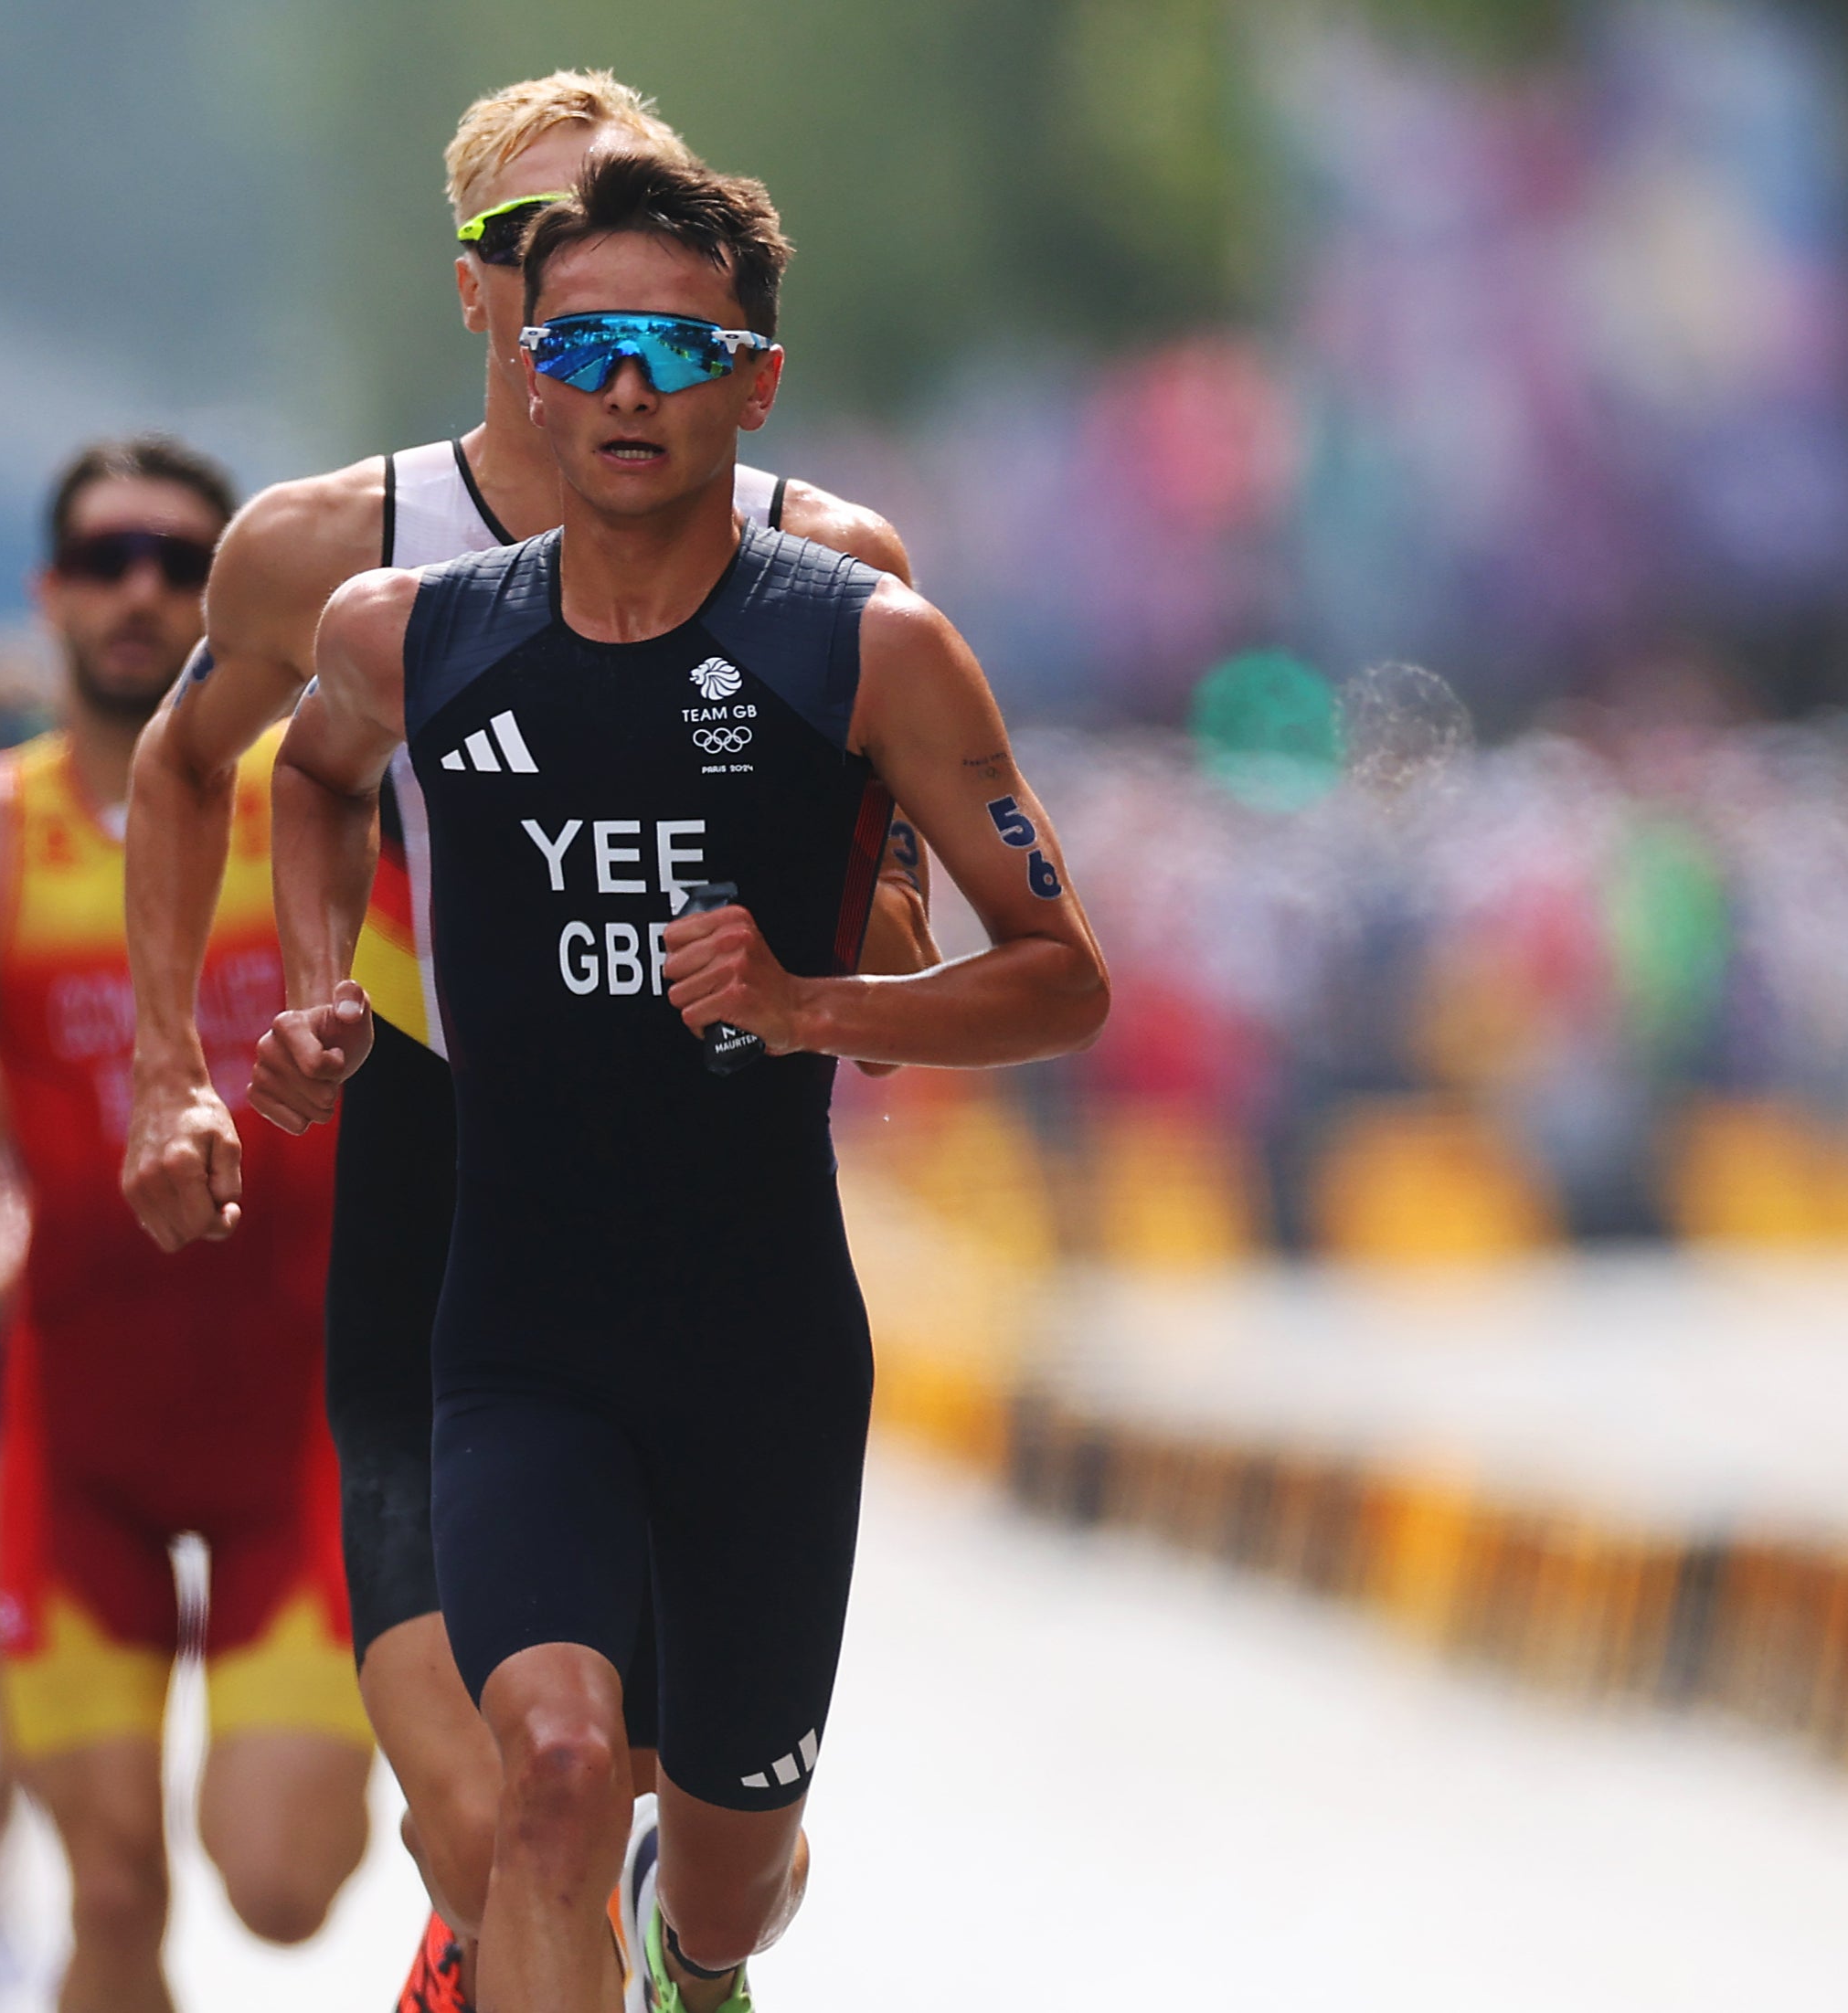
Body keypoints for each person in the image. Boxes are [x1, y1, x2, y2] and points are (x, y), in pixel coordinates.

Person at [254, 154, 1110, 2012]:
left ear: (752, 384)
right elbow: (306, 778)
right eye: (588, 344)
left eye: (674, 345)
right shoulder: (412, 633)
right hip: (515, 1343)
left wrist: (806, 1006)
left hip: (761, 1354)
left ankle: (691, 1953)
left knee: (726, 1888)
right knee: (546, 1774)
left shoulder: (859, 643)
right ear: (529, 369)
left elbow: (1062, 980)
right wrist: (315, 990)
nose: (627, 387)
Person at [117, 69, 930, 2011]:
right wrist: (193, 1056)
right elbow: (194, 769)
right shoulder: (340, 556)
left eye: (639, 287)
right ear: (483, 294)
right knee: (501, 1803)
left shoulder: (830, 565)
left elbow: (918, 912)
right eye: (531, 254)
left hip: (715, 1218)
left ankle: (671, 1937)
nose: (598, 332)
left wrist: (846, 965)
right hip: (447, 1202)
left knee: (710, 1853)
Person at [0, 438, 374, 2013]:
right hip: (78, 1439)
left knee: (274, 1888)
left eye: (176, 561)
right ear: (49, 592)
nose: (140, 591)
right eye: (105, 558)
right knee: (114, 1883)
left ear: (237, 594)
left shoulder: (325, 796)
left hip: (298, 1431)